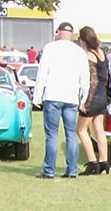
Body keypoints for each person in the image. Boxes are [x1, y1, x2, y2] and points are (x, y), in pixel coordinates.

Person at [31, 20, 89, 179]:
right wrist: (83, 98)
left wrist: (37, 96)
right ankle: (71, 170)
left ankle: (49, 170)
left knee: (51, 135)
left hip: (53, 95)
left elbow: (42, 72)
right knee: (71, 134)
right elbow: (85, 78)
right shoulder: (79, 52)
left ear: (58, 32)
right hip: (71, 98)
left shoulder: (50, 48)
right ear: (71, 35)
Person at [75, 26, 111, 175]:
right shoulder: (102, 53)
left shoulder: (90, 56)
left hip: (93, 97)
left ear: (83, 40)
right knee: (99, 129)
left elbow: (93, 81)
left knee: (81, 130)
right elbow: (105, 78)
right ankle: (104, 161)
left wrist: (85, 102)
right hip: (102, 96)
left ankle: (92, 163)